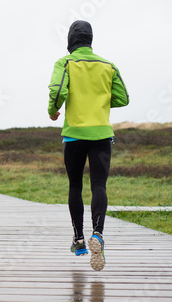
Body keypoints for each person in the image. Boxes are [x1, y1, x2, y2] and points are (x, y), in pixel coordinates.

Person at [47, 20, 129, 271]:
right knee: (99, 186)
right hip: (102, 135)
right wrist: (99, 103)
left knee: (75, 186)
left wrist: (53, 110)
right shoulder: (108, 65)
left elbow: (58, 90)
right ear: (90, 39)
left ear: (70, 39)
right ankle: (98, 234)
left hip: (74, 136)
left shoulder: (66, 62)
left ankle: (79, 240)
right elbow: (122, 98)